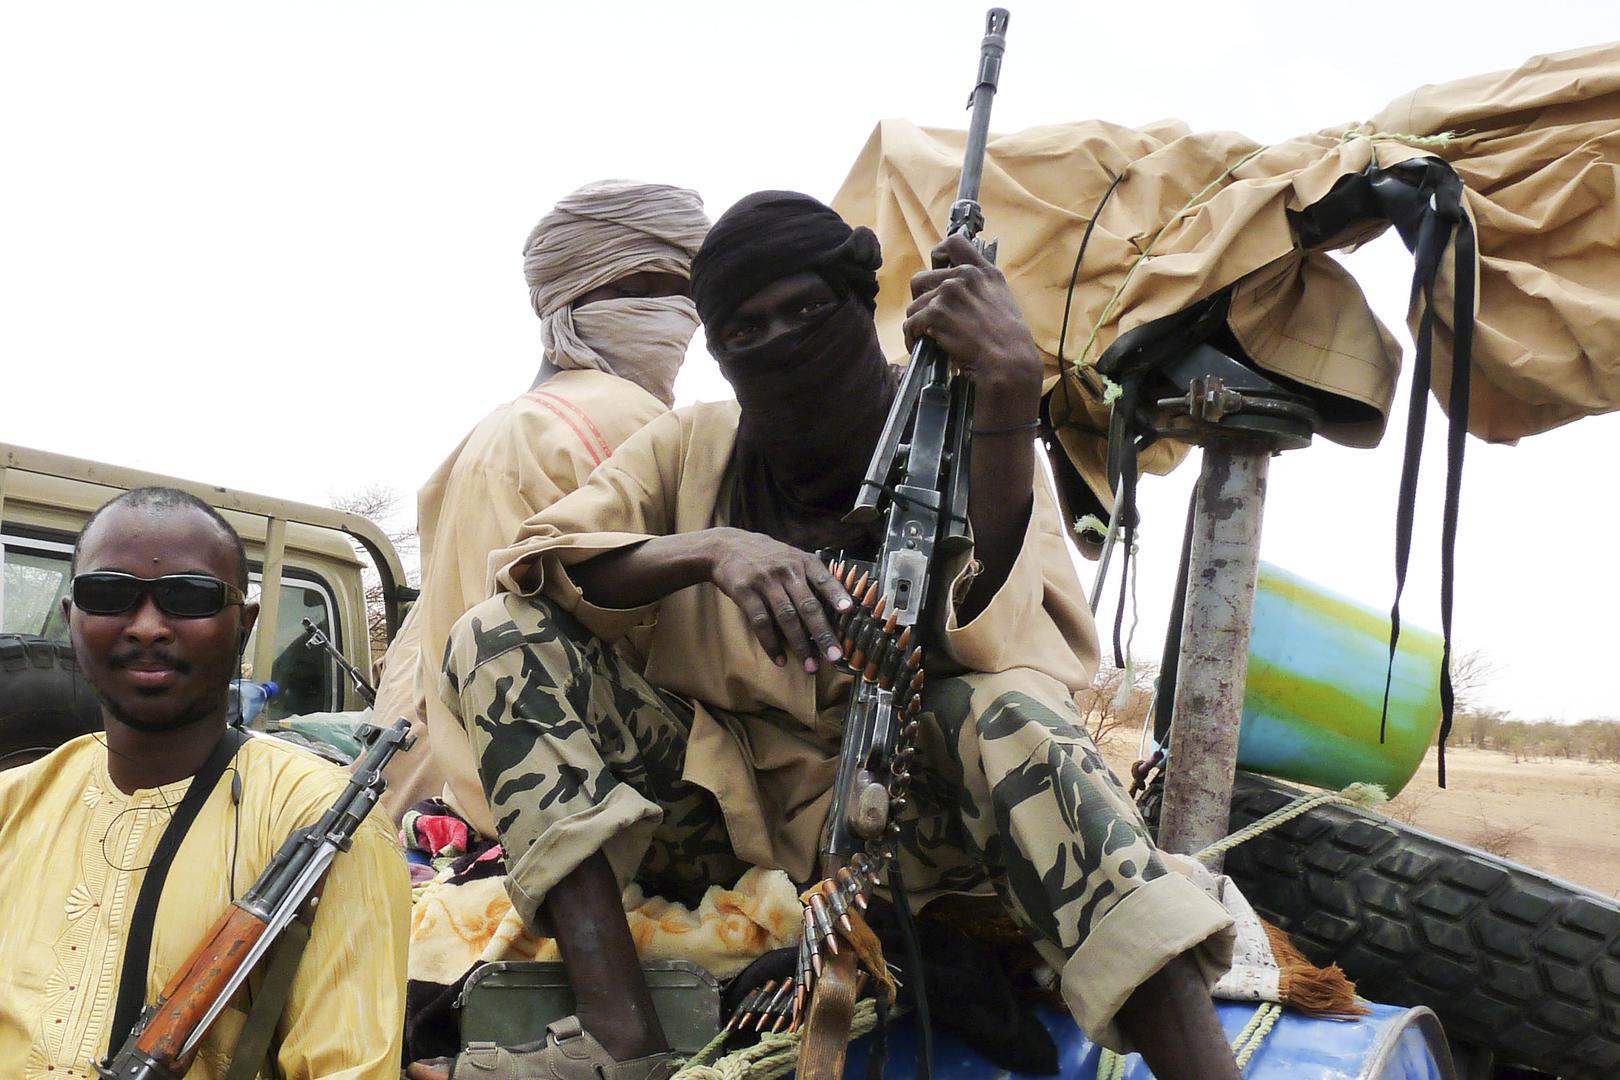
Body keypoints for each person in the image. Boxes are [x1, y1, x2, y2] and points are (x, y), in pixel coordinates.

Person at [416, 192, 1240, 1080]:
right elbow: (541, 565)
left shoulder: (960, 432)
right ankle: (620, 1040)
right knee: (498, 635)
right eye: (745, 329)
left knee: (1006, 716)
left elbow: (1007, 636)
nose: (781, 341)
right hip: (724, 821)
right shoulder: (693, 445)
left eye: (807, 310)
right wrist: (713, 551)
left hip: (912, 828)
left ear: (858, 304)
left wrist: (1006, 391)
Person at [0, 487, 410, 1079]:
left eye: (187, 598)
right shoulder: (16, 804)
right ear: (72, 618)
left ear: (242, 626)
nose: (146, 628)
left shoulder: (323, 823)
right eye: (109, 594)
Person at [372, 179, 710, 831]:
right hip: (599, 810)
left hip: (463, 808)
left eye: (689, 295)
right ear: (587, 295)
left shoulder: (482, 438)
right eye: (658, 291)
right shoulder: (631, 424)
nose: (683, 319)